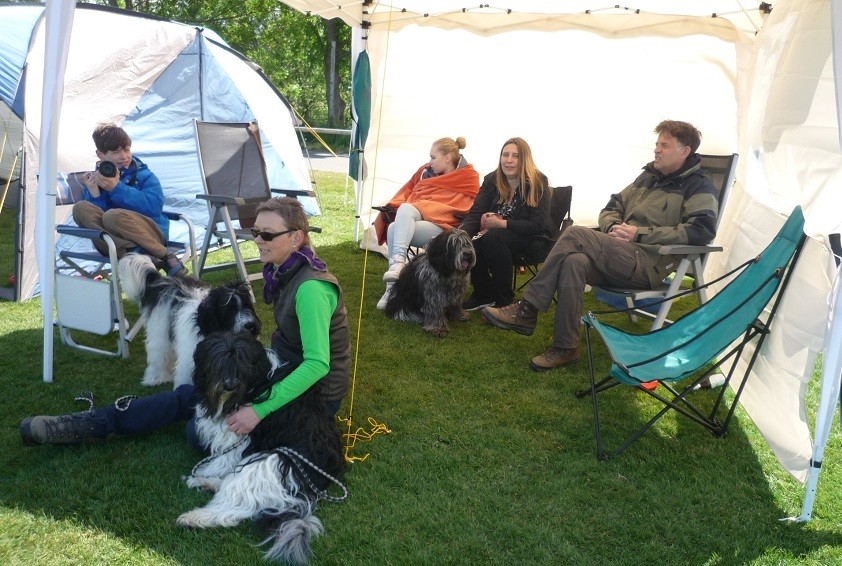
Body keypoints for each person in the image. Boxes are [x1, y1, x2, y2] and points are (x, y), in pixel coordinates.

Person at [20, 197, 351, 447]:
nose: (258, 240)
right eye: (255, 231)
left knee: (196, 429)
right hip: (281, 368)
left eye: (267, 234)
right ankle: (92, 423)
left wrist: (259, 410)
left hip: (313, 391)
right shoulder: (286, 271)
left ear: (296, 238)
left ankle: (93, 423)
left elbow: (318, 364)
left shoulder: (310, 287)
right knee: (191, 398)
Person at [482, 120, 718, 372]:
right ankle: (566, 346)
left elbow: (702, 230)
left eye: (664, 145)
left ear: (685, 151)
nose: (656, 150)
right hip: (619, 253)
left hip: (648, 262)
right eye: (657, 144)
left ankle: (527, 308)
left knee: (574, 234)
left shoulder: (699, 186)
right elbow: (611, 206)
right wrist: (613, 228)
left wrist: (640, 234)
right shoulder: (648, 177)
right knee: (574, 261)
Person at [373, 136, 480, 310]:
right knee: (396, 224)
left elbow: (467, 207)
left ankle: (394, 281)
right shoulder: (426, 173)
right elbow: (412, 192)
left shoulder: (468, 177)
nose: (429, 162)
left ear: (447, 158)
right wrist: (425, 208)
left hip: (447, 230)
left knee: (401, 219)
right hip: (424, 220)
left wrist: (431, 208)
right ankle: (394, 279)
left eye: (433, 157)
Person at [72, 122, 185, 275]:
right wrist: (94, 193)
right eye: (116, 152)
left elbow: (154, 207)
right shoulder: (96, 179)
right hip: (113, 244)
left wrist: (117, 188)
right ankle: (150, 255)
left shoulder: (144, 175)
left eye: (126, 150)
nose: (124, 156)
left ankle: (159, 254)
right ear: (100, 154)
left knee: (112, 215)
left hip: (150, 234)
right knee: (80, 208)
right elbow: (98, 220)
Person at [459, 137, 553, 310]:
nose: (509, 160)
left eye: (515, 156)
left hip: (533, 239)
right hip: (497, 236)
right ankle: (483, 293)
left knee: (493, 238)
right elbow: (475, 214)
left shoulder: (538, 182)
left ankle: (504, 299)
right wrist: (460, 234)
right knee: (471, 242)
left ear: (524, 159)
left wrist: (503, 224)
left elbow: (537, 224)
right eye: (505, 155)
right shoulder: (491, 180)